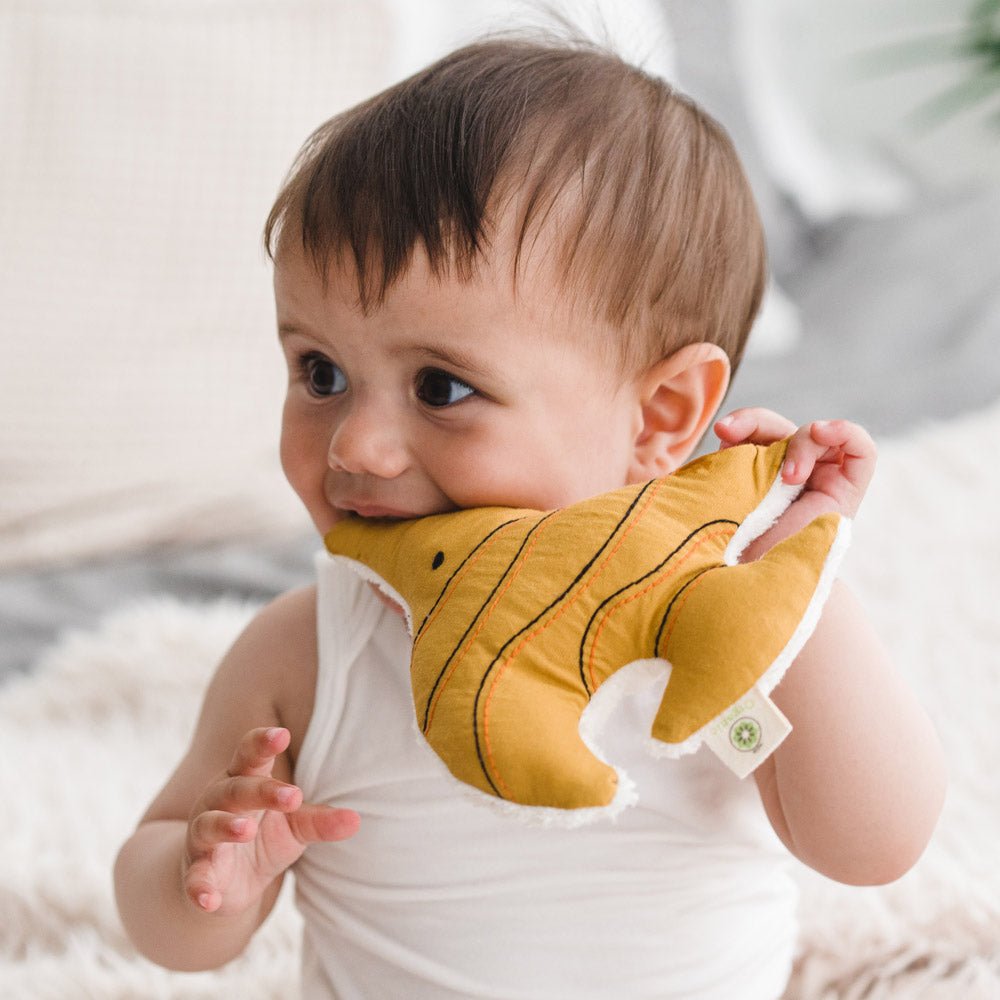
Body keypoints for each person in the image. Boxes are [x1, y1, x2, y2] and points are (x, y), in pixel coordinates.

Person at [114, 35, 946, 999]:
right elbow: (163, 910)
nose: (355, 447)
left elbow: (874, 845)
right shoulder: (304, 655)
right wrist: (205, 874)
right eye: (321, 372)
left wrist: (795, 583)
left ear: (660, 416)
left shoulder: (713, 627)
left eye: (440, 387)